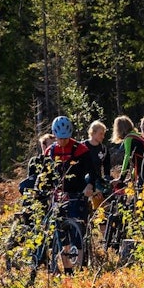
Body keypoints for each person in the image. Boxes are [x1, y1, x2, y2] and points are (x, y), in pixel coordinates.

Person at [45, 116, 98, 271]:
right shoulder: (51, 151)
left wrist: (89, 185)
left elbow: (92, 172)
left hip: (77, 194)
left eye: (66, 138)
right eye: (60, 138)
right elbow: (45, 175)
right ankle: (67, 269)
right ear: (54, 135)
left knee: (78, 232)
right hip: (58, 196)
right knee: (61, 233)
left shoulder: (80, 150)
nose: (63, 141)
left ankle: (80, 267)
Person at [111, 115, 144, 187]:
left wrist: (121, 177)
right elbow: (137, 159)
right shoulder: (138, 135)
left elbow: (127, 157)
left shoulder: (129, 138)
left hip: (143, 172)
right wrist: (132, 177)